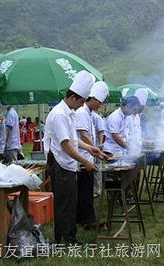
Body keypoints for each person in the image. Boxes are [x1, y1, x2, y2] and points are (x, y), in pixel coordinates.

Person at [44, 70, 102, 244]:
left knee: (71, 202)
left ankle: (70, 236)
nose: (81, 105)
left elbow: (74, 141)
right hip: (60, 164)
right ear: (72, 98)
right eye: (82, 101)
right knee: (64, 204)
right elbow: (66, 145)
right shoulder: (59, 114)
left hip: (68, 164)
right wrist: (85, 161)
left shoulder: (70, 112)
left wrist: (91, 148)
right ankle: (63, 239)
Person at [75, 81, 109, 228]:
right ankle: (88, 220)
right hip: (83, 157)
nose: (100, 105)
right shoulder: (82, 112)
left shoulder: (89, 113)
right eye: (99, 102)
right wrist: (95, 149)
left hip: (88, 155)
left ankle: (82, 218)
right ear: (93, 99)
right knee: (85, 192)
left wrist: (96, 151)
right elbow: (83, 134)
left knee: (85, 191)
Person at [125, 88, 149, 154]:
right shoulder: (128, 116)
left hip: (137, 150)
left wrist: (144, 141)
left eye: (143, 107)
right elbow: (126, 136)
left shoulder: (138, 117)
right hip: (128, 151)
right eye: (140, 107)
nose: (141, 110)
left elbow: (137, 135)